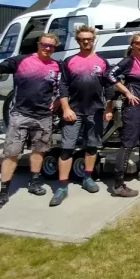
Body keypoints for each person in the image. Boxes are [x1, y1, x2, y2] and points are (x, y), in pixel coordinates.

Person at [0, 33, 61, 211]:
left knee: (39, 151)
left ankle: (34, 182)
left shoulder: (56, 66)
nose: (47, 48)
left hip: (44, 116)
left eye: (51, 46)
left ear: (55, 48)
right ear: (38, 44)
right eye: (44, 44)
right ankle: (3, 193)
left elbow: (64, 86)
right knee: (11, 153)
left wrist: (57, 101)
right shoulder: (21, 60)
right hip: (20, 114)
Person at [50, 25, 116, 207]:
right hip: (73, 112)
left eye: (89, 39)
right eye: (82, 39)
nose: (86, 42)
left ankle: (87, 178)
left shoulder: (102, 61)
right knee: (66, 148)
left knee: (92, 146)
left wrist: (108, 109)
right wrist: (65, 109)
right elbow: (62, 86)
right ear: (78, 41)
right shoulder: (69, 61)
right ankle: (62, 187)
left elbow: (109, 87)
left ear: (93, 39)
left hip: (96, 111)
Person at [106, 32, 140, 197]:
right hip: (132, 108)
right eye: (138, 43)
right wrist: (127, 93)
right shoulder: (128, 61)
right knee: (128, 143)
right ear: (132, 46)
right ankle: (118, 185)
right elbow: (109, 75)